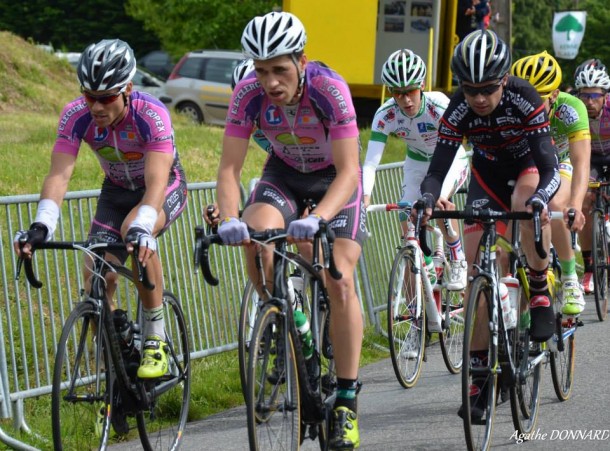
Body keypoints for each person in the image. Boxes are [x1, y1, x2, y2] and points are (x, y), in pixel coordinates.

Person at [215, 12, 365, 449]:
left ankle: (346, 401)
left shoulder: (328, 89)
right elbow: (229, 168)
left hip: (334, 180)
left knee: (338, 276)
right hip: (283, 173)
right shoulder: (248, 95)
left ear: (301, 60)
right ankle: (285, 317)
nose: (270, 82)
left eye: (280, 69)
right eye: (262, 71)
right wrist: (228, 218)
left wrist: (319, 217)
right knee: (256, 236)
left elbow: (350, 171)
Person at [13, 39, 187, 381]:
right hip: (116, 190)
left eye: (106, 97)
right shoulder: (76, 115)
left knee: (135, 234)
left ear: (128, 90)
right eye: (89, 95)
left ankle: (156, 338)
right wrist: (41, 225)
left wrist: (144, 224)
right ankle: (116, 365)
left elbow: (155, 184)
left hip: (161, 186)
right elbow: (59, 174)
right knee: (96, 275)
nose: (95, 105)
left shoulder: (151, 115)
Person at [414, 30, 560, 421]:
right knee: (483, 276)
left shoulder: (524, 97)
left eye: (488, 89)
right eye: (470, 89)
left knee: (524, 204)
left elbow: (550, 168)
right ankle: (480, 381)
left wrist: (541, 200)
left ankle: (541, 287)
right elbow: (437, 170)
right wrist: (428, 199)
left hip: (528, 168)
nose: (479, 98)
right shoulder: (459, 107)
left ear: (504, 81)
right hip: (487, 175)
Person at [363, 48, 470, 290]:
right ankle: (423, 270)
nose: (405, 100)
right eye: (398, 93)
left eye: (410, 91)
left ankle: (457, 253)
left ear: (421, 85)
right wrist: (365, 197)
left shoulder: (439, 104)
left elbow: (459, 141)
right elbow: (371, 162)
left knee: (438, 203)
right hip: (417, 161)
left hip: (450, 159)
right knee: (405, 213)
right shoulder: (385, 114)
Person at [511, 51, 590, 315]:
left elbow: (581, 162)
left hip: (562, 160)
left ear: (554, 95)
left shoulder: (571, 109)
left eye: (540, 97)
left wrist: (576, 206)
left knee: (554, 201)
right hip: (527, 163)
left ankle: (569, 277)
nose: (530, 103)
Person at [572, 58, 610, 294]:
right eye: (584, 95)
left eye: (595, 95)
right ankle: (589, 268)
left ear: (605, 94)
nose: (589, 101)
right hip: (591, 159)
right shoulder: (575, 110)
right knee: (584, 199)